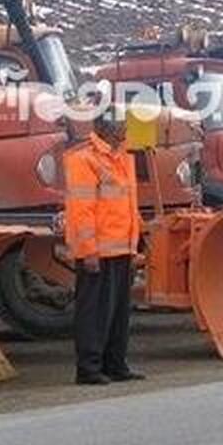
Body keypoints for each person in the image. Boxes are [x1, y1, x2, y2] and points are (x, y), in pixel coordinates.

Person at [63, 110, 144, 385]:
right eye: (122, 123)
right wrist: (88, 251)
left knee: (119, 313)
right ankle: (89, 368)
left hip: (120, 249)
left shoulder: (122, 157)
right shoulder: (84, 160)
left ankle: (115, 364)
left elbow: (128, 207)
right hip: (98, 251)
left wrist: (134, 247)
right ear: (106, 128)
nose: (126, 128)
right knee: (95, 313)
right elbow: (81, 210)